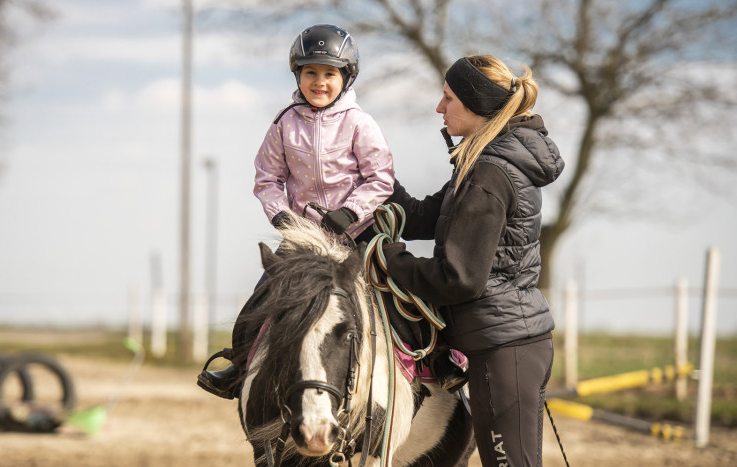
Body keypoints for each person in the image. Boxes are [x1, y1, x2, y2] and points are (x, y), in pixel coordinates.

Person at [382, 55, 564, 466]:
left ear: (475, 104)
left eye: (448, 98)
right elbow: (424, 215)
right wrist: (374, 176)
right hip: (499, 344)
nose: (439, 108)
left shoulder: (490, 174)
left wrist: (393, 260)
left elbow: (459, 278)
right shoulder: (479, 164)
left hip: (505, 349)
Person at [197, 24, 395, 399]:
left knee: (399, 294)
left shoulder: (361, 124)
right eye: (311, 73)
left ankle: (429, 364)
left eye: (329, 74)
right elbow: (266, 178)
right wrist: (281, 217)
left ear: (346, 78)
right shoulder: (283, 123)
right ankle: (239, 368)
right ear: (298, 75)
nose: (319, 82)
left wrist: (352, 212)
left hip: (358, 235)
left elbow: (381, 178)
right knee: (260, 301)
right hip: (304, 238)